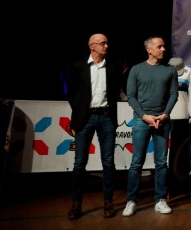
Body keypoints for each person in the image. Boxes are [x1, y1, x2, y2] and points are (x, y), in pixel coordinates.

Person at [66, 33, 124, 219]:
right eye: (102, 43)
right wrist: (81, 109)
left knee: (108, 162)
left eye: (107, 42)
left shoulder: (113, 66)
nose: (106, 46)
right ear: (92, 46)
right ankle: (76, 204)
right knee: (79, 163)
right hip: (85, 118)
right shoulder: (78, 66)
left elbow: (116, 91)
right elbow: (72, 92)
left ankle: (108, 202)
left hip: (106, 117)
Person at [122, 36, 178, 217]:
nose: (163, 49)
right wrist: (144, 116)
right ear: (149, 50)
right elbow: (131, 96)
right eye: (159, 46)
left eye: (163, 46)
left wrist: (165, 114)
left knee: (161, 162)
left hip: (162, 121)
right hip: (141, 120)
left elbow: (173, 94)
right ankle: (131, 201)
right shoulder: (136, 70)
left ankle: (160, 200)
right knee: (136, 162)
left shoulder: (170, 70)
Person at [167, 57, 191, 197]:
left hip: (182, 115)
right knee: (166, 153)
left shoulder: (188, 71)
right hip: (165, 115)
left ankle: (180, 186)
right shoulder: (163, 72)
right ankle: (167, 187)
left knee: (180, 152)